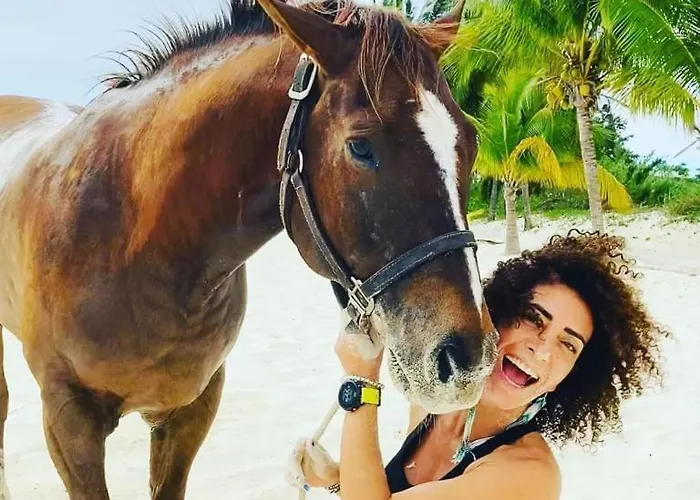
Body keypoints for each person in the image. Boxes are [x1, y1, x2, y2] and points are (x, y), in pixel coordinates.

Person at [287, 230, 668, 499]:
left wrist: (361, 381)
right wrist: (335, 479)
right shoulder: (436, 404)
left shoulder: (528, 473)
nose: (542, 349)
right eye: (533, 318)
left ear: (568, 377)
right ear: (496, 314)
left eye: (568, 344)